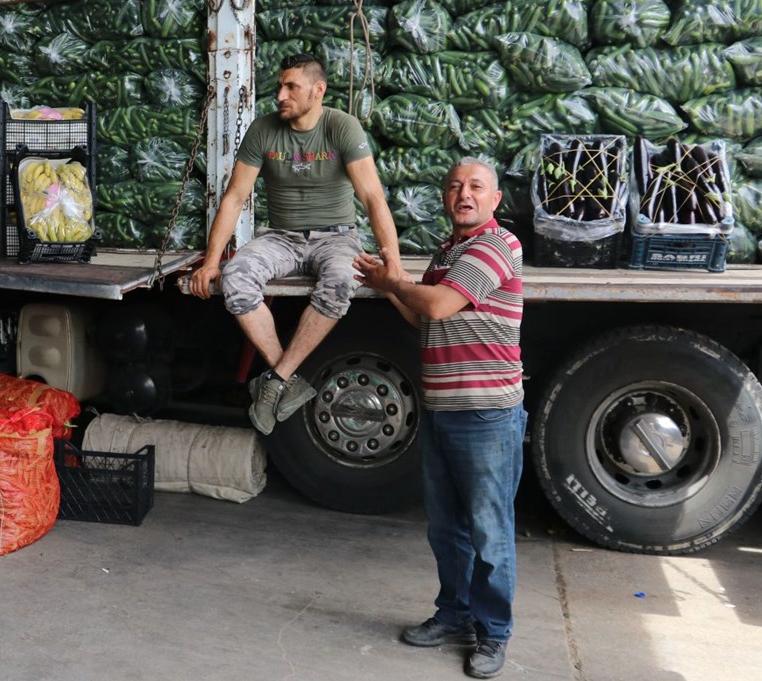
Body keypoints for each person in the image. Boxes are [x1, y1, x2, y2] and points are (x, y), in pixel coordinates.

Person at [353, 158, 526, 679]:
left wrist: (398, 281)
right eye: (453, 186)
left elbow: (437, 305)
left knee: (489, 532)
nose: (463, 194)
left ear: (495, 200)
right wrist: (388, 284)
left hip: (486, 415)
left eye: (476, 187)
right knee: (447, 528)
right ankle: (453, 614)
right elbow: (419, 312)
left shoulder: (498, 246)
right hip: (441, 410)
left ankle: (492, 634)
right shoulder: (449, 250)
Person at [190, 53, 400, 435]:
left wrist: (394, 265)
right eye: (279, 87)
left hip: (335, 237)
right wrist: (211, 261)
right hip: (280, 237)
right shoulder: (264, 130)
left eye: (291, 87)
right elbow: (235, 196)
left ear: (318, 91)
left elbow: (372, 197)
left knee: (341, 280)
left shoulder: (341, 127)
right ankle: (286, 380)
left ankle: (274, 379)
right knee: (234, 277)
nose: (281, 95)